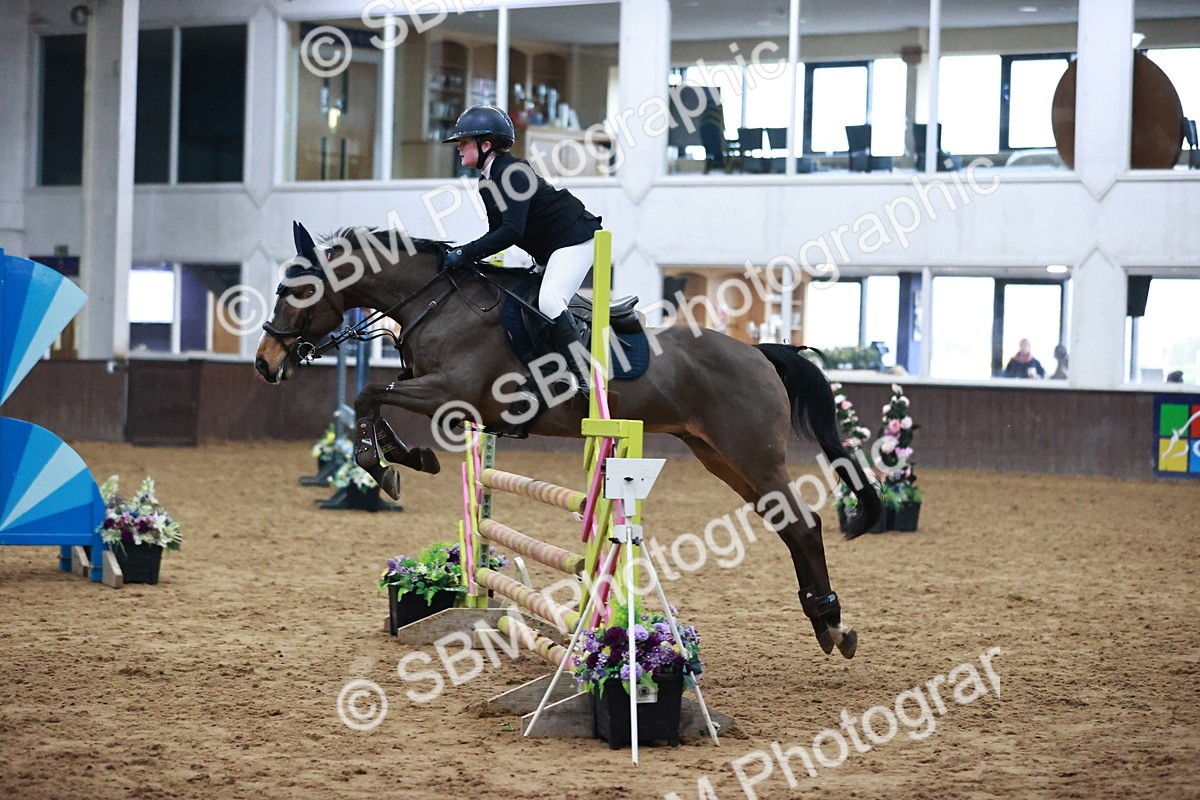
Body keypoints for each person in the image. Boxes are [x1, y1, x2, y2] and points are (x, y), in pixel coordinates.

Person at [440, 104, 602, 397]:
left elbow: (512, 231)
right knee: (520, 301)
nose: (459, 149)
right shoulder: (486, 182)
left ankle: (585, 377)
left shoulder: (514, 172)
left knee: (550, 301)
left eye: (463, 143)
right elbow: (495, 233)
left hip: (575, 239)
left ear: (486, 144)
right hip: (550, 250)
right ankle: (546, 369)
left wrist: (465, 253)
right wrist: (467, 257)